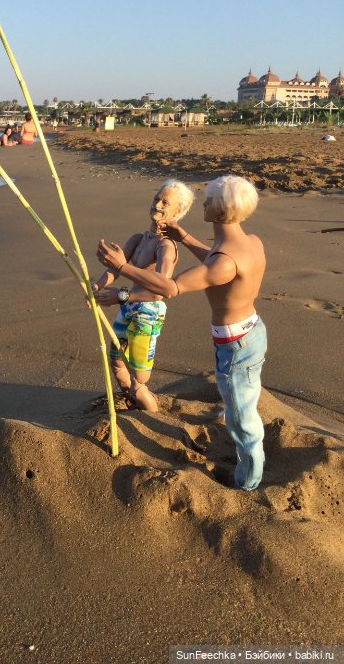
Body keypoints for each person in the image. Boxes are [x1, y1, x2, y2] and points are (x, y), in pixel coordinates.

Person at [97, 175, 266, 491]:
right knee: (240, 404)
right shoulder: (250, 242)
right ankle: (248, 465)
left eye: (209, 200)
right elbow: (216, 259)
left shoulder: (223, 262)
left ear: (217, 210)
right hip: (249, 332)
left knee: (241, 417)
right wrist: (185, 236)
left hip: (237, 342)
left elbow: (170, 288)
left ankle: (248, 482)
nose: (203, 203)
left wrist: (122, 270)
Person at [91, 180, 194, 412]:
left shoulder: (166, 246)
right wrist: (96, 288)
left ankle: (152, 417)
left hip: (147, 313)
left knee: (140, 379)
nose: (157, 204)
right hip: (127, 308)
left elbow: (160, 289)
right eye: (157, 198)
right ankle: (133, 405)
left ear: (177, 212)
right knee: (117, 361)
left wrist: (120, 296)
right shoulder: (138, 239)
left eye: (165, 202)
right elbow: (115, 269)